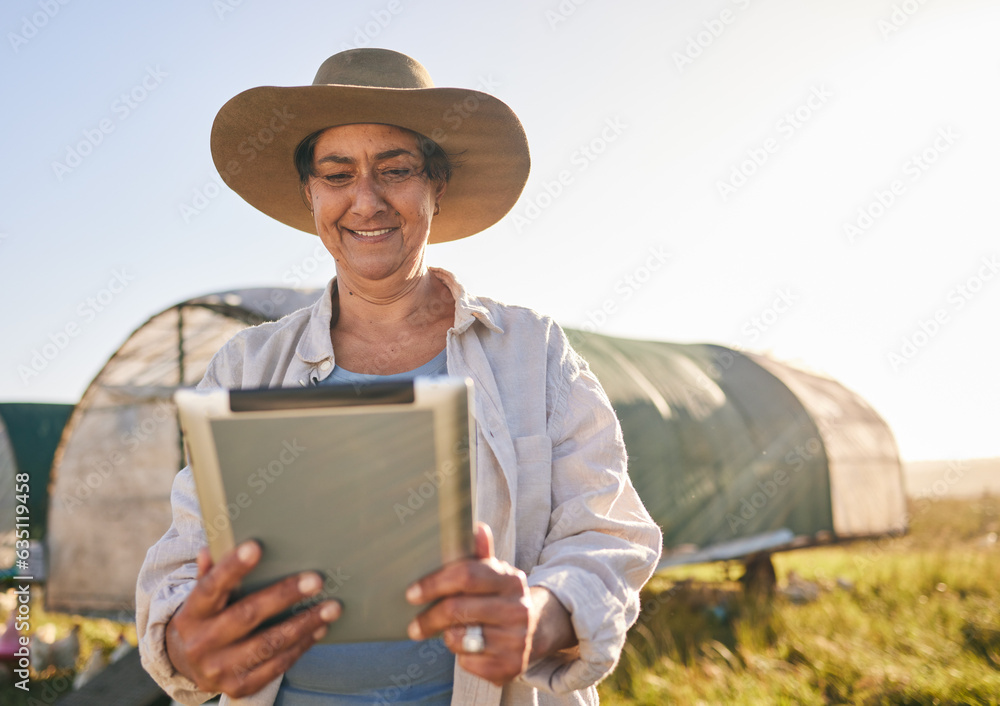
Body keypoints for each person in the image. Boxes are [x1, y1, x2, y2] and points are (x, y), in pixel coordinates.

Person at [136, 48, 662, 706]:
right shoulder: (245, 366)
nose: (366, 200)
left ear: (435, 185)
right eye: (337, 174)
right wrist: (188, 643)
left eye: (396, 170)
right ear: (310, 193)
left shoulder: (533, 352)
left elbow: (609, 533)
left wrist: (541, 613)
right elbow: (188, 555)